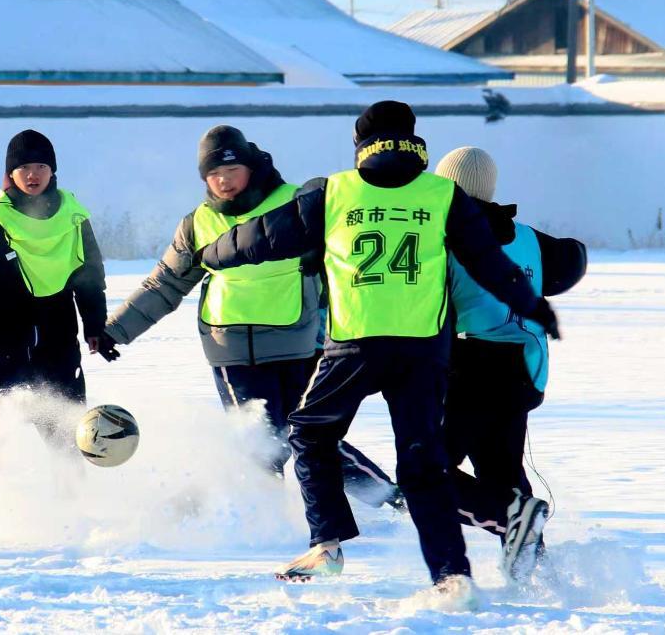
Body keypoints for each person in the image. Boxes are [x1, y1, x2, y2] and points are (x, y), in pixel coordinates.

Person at [200, 101, 560, 592]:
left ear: (360, 143)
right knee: (423, 468)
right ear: (413, 139)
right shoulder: (441, 194)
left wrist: (212, 252)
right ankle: (452, 578)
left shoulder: (334, 192)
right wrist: (533, 305)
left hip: (355, 344)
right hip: (423, 354)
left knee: (308, 433)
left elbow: (262, 236)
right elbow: (489, 262)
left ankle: (327, 545)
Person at [102, 125, 400, 507]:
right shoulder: (198, 222)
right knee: (258, 443)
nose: (224, 181)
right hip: (231, 350)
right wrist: (114, 330)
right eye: (214, 174)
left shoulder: (294, 203)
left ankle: (388, 497)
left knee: (311, 434)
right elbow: (166, 284)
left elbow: (343, 264)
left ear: (252, 167)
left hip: (298, 342)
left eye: (232, 170)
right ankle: (266, 518)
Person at [435, 147, 587, 581]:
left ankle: (510, 517)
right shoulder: (528, 238)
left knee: (425, 475)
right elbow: (573, 258)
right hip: (523, 370)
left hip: (469, 366)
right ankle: (532, 569)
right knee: (501, 469)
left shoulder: (445, 237)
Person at [0, 129, 115, 448]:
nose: (32, 174)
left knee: (67, 440)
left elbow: (90, 276)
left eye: (41, 166)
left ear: (52, 171)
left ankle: (71, 483)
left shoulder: (73, 217)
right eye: (23, 167)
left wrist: (95, 326)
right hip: (0, 344)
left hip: (58, 343)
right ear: (10, 173)